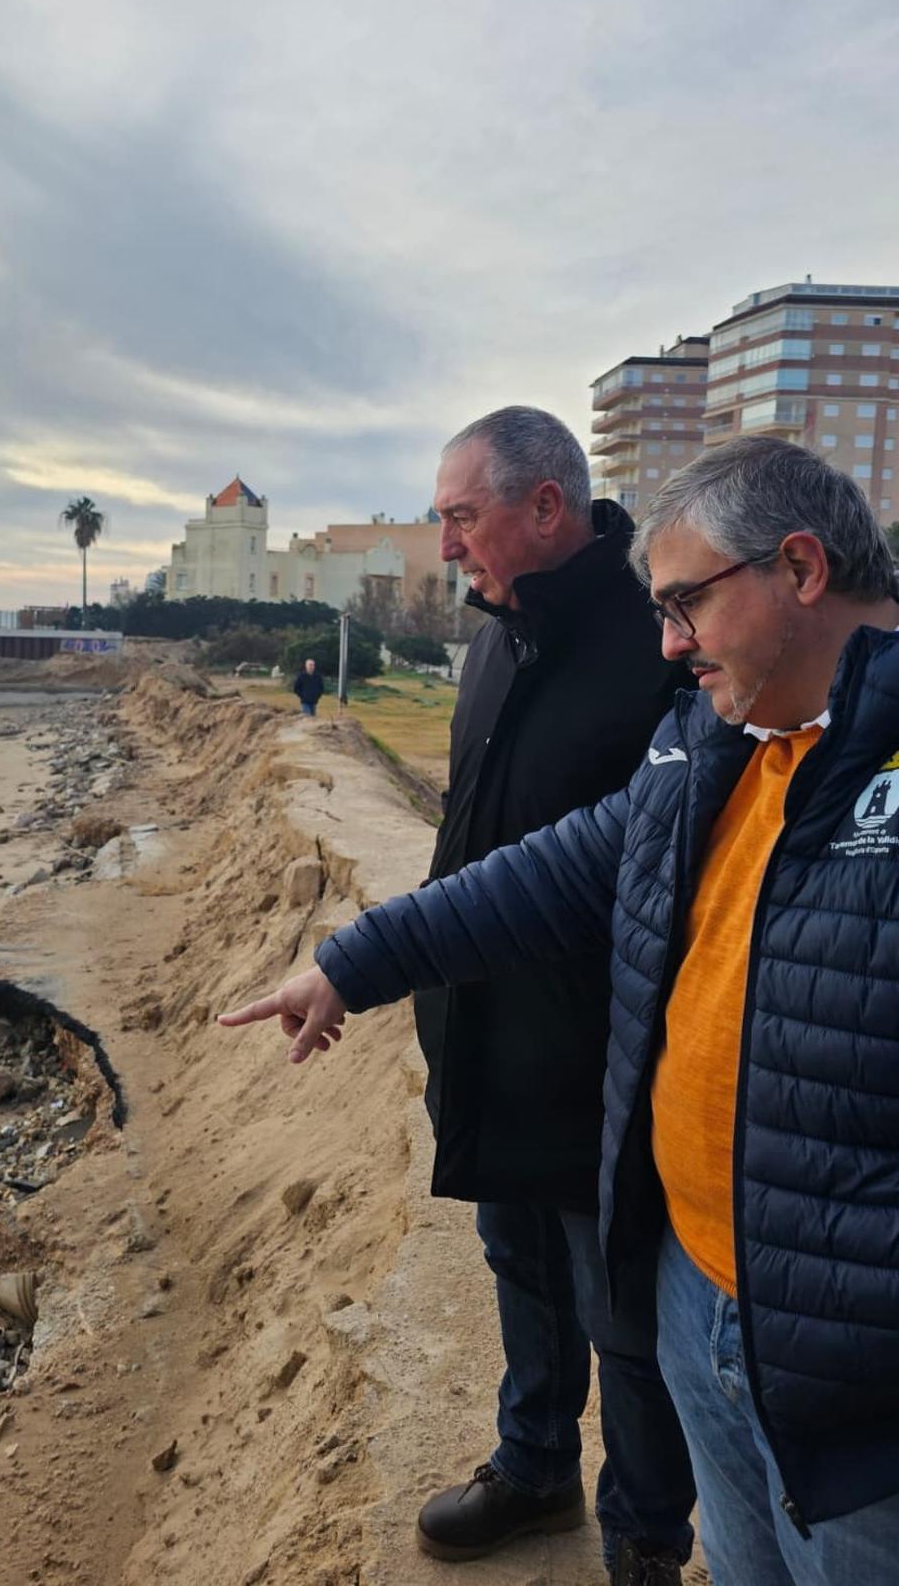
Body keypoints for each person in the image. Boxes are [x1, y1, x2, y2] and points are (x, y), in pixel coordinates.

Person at [221, 436, 899, 1586]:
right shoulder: (716, 737)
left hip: (855, 1383)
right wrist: (354, 959)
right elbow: (555, 868)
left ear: (800, 567)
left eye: (686, 604)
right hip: (697, 1295)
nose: (671, 644)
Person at [410, 406, 694, 1583]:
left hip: (604, 1063)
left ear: (546, 506)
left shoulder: (660, 642)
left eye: (461, 518)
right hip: (485, 1038)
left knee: (622, 1319)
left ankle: (643, 1539)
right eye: (440, 521)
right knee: (516, 1266)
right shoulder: (493, 636)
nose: (446, 548)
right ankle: (532, 1468)